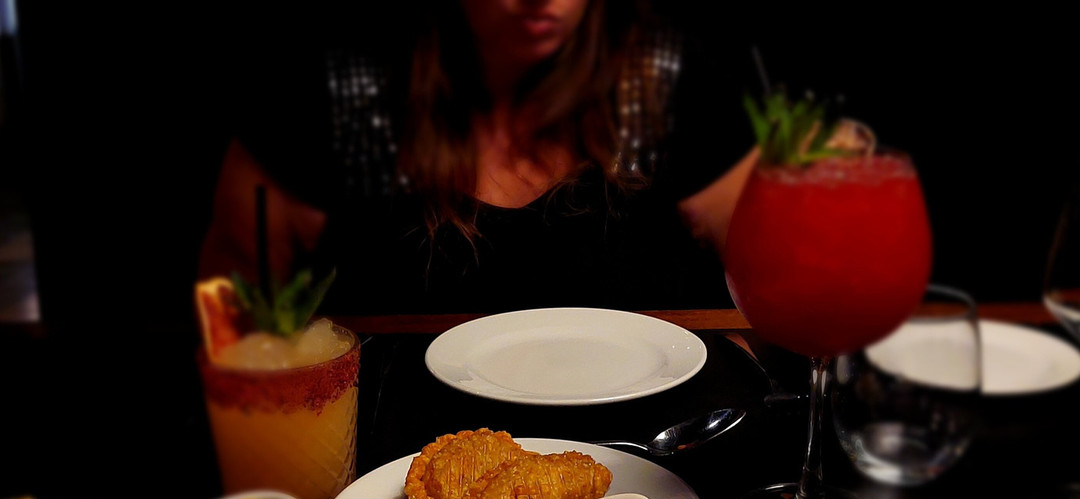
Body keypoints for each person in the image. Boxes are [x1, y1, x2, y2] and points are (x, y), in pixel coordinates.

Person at [197, 0, 760, 315]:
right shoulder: (338, 96)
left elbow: (775, 295)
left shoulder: (663, 83)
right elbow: (231, 329)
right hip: (389, 474)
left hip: (640, 468)